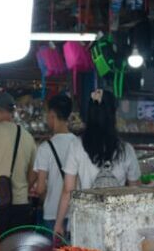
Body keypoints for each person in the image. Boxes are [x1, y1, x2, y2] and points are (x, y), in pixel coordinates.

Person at [54, 89, 141, 237]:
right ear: (114, 114)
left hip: (83, 224)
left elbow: (68, 190)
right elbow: (136, 191)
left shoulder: (76, 145)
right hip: (116, 226)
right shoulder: (126, 150)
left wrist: (58, 223)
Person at [0, 92, 37, 234]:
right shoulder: (27, 136)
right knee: (17, 250)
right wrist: (22, 187)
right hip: (22, 204)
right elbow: (34, 172)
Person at [30, 94, 77, 231]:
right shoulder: (78, 144)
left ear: (52, 115)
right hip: (75, 212)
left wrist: (48, 198)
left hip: (52, 213)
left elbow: (40, 189)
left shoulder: (45, 148)